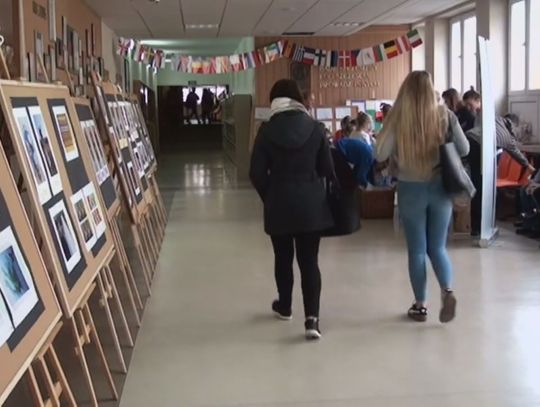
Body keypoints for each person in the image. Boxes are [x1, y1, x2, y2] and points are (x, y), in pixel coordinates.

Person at [376, 71, 469, 323]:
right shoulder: (445, 115)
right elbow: (464, 148)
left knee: (417, 250)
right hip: (440, 187)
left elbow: (379, 152)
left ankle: (420, 305)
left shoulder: (399, 118)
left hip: (410, 189)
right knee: (437, 247)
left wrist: (391, 126)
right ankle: (447, 290)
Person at [249, 79, 335, 340]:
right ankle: (312, 320)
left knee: (282, 257)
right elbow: (327, 170)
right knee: (309, 261)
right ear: (298, 99)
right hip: (311, 205)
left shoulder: (266, 130)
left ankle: (285, 306)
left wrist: (270, 195)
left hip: (279, 203)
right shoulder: (316, 128)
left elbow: (255, 173)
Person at [464, 89, 534, 236]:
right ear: (513, 126)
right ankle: (481, 227)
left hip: (469, 142)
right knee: (482, 188)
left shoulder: (494, 117)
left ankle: (477, 226)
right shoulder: (508, 138)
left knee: (476, 186)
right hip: (478, 148)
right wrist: (528, 166)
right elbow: (516, 153)